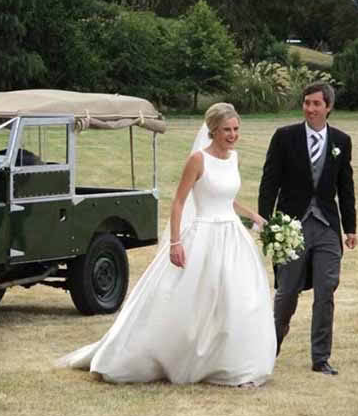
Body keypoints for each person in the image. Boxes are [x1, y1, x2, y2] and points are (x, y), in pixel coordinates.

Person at [56, 103, 276, 386]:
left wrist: (253, 215)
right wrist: (175, 242)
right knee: (191, 298)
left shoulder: (233, 158)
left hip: (231, 236)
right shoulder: (198, 160)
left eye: (236, 129)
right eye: (226, 130)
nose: (232, 135)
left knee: (238, 299)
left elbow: (224, 197)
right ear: (213, 130)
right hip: (203, 235)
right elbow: (180, 202)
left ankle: (231, 363)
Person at [258, 82, 357, 376]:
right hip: (291, 226)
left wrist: (350, 227)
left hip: (327, 225)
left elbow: (346, 187)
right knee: (287, 292)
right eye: (306, 103)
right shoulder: (284, 137)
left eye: (316, 104)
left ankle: (320, 358)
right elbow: (269, 182)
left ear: (328, 107)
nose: (310, 109)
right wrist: (265, 221)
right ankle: (268, 350)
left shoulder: (342, 140)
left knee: (326, 289)